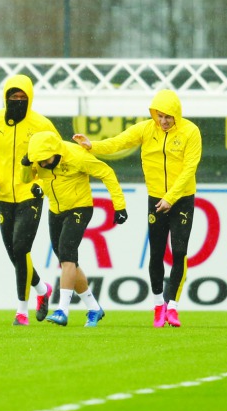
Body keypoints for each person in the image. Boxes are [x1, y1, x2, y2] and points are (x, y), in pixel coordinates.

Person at [74, 89, 202, 328]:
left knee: (180, 252)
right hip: (156, 199)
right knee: (155, 253)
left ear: (177, 115)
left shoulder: (190, 132)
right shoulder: (145, 129)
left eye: (168, 117)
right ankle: (157, 306)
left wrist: (171, 198)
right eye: (159, 116)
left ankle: (172, 306)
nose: (163, 121)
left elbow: (189, 169)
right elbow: (119, 142)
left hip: (182, 198)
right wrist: (92, 146)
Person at [0, 74, 61, 326]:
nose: (18, 101)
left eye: (23, 97)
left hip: (29, 195)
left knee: (21, 248)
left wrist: (39, 185)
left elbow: (58, 156)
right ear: (5, 97)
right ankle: (42, 289)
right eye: (14, 97)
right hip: (3, 195)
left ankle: (21, 311)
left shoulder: (42, 124)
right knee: (13, 251)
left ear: (30, 98)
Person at [25, 130, 126, 328]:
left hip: (80, 208)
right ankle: (94, 308)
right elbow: (33, 179)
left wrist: (119, 205)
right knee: (67, 260)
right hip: (55, 209)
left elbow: (107, 173)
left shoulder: (77, 156)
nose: (43, 164)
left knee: (67, 256)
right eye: (40, 161)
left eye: (45, 160)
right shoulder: (39, 158)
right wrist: (28, 169)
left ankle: (62, 310)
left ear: (56, 151)